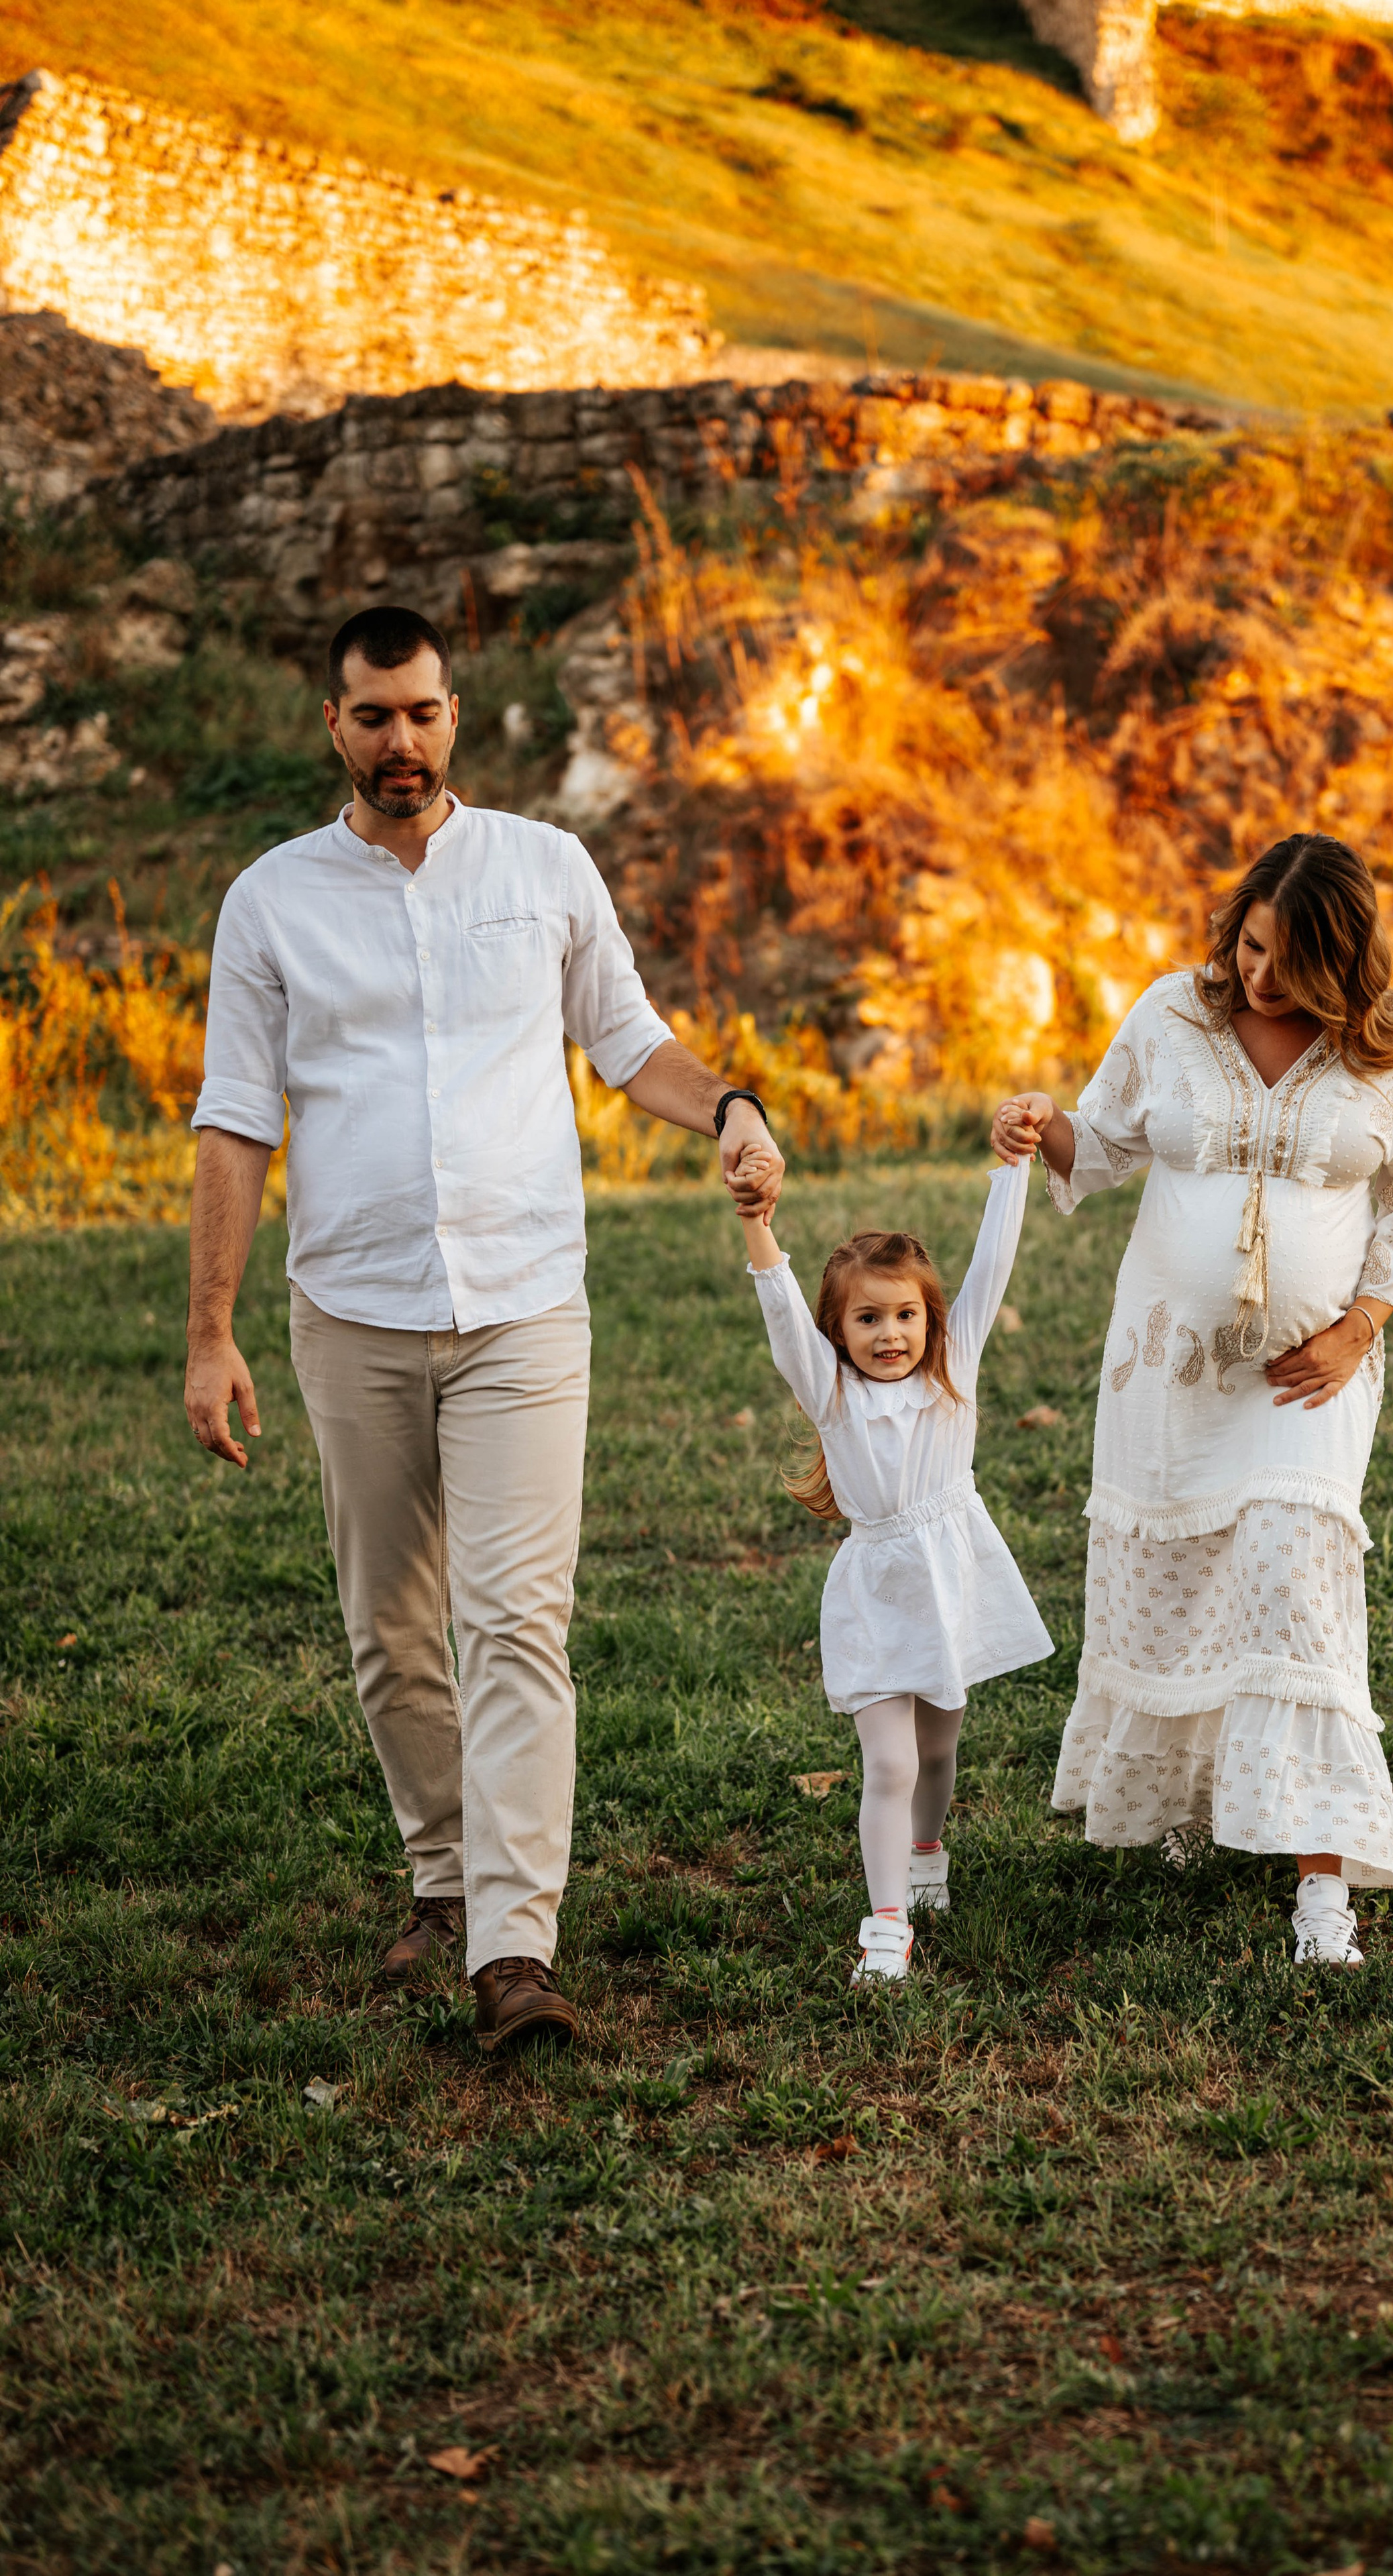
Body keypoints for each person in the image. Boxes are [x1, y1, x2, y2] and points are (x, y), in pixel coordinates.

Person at [183, 602, 784, 2057]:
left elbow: (630, 1041)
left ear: (459, 715)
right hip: (353, 1310)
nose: (403, 741)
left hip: (524, 1306)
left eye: (425, 713)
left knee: (516, 1622)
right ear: (332, 724)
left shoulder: (544, 868)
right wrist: (211, 1333)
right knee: (393, 1636)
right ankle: (445, 1881)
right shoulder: (270, 900)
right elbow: (234, 1126)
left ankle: (515, 1949)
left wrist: (732, 1104)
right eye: (374, 716)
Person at [992, 833, 1393, 1967]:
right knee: (1190, 1579)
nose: (1260, 978)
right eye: (1251, 946)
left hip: (1309, 1379)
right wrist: (1037, 1124)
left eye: (1291, 963)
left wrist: (1360, 1328)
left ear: (1343, 963)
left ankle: (1323, 1896)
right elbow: (1097, 1149)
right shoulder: (1172, 1017)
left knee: (1297, 1585)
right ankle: (1198, 1807)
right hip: (1165, 1369)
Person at [732, 1148, 1052, 1982]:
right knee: (892, 1762)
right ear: (838, 1333)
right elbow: (780, 1320)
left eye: (905, 1315)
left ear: (931, 1321)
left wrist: (1012, 1169)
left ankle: (926, 1855)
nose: (889, 1334)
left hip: (952, 1584)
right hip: (877, 1593)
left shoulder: (955, 1373)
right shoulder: (830, 1394)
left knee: (939, 1757)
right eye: (867, 1320)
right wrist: (758, 1230)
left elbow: (992, 1266)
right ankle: (885, 1927)